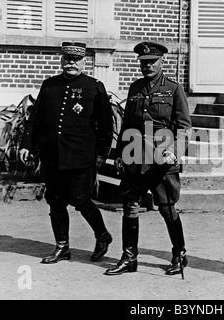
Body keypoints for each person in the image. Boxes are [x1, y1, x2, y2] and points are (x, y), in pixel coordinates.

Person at [19, 41, 114, 264]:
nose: (71, 63)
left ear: (84, 62)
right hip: (53, 156)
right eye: (67, 59)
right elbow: (36, 119)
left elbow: (105, 125)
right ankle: (62, 247)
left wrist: (102, 154)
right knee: (55, 202)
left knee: (81, 200)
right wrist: (26, 144)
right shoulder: (50, 85)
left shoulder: (94, 86)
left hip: (81, 157)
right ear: (62, 60)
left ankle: (103, 235)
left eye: (76, 60)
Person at [104, 41, 192, 276]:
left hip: (162, 158)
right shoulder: (135, 88)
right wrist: (122, 153)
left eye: (152, 62)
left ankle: (179, 254)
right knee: (130, 206)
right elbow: (128, 125)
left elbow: (184, 127)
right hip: (135, 157)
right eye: (143, 62)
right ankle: (129, 258)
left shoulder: (174, 90)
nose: (147, 66)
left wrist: (176, 150)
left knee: (166, 208)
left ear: (162, 62)